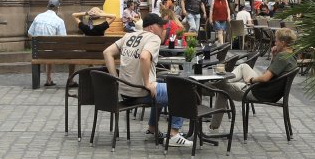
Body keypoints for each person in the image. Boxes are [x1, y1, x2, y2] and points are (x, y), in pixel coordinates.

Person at [102, 12, 189, 145]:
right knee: (182, 91)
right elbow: (144, 57)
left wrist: (115, 79)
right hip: (141, 92)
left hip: (125, 92)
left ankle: (153, 128)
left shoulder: (128, 36)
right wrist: (147, 83)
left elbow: (107, 52)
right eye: (161, 26)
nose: (163, 30)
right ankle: (174, 135)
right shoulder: (153, 38)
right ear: (152, 27)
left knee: (160, 84)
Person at [208, 26, 299, 130]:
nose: (275, 43)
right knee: (243, 66)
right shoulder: (291, 55)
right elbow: (268, 74)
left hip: (260, 92)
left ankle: (213, 125)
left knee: (222, 90)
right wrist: (273, 56)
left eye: (276, 41)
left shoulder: (282, 57)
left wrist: (251, 80)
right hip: (267, 89)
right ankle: (220, 82)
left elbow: (265, 78)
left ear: (283, 43)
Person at [28, 0, 68, 86]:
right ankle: (68, 80)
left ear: (47, 6)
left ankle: (48, 79)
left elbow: (30, 34)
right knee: (52, 49)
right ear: (58, 8)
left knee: (48, 49)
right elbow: (63, 40)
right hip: (51, 53)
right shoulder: (59, 21)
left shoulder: (38, 17)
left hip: (37, 52)